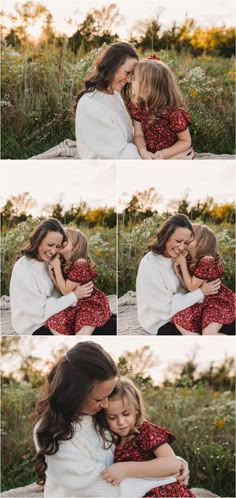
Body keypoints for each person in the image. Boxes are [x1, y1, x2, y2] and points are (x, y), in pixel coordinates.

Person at [32, 341, 190, 498]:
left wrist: (175, 463)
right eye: (99, 399)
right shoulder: (54, 432)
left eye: (108, 396)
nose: (106, 404)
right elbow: (101, 488)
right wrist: (167, 477)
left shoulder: (97, 414)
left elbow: (139, 452)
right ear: (75, 395)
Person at [98, 377, 195, 497]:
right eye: (112, 417)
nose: (121, 422)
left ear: (137, 410)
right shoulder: (111, 439)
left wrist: (125, 469)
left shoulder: (145, 431)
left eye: (126, 414)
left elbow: (172, 464)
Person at [136, 214, 223, 335]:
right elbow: (166, 308)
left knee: (226, 322)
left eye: (186, 242)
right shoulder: (150, 265)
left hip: (189, 308)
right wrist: (201, 292)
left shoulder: (181, 256)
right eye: (178, 241)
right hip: (163, 320)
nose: (182, 247)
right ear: (165, 236)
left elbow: (189, 285)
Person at [9, 219, 93, 336]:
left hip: (61, 313)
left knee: (106, 320)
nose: (53, 251)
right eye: (50, 245)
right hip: (36, 326)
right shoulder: (23, 270)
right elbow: (40, 313)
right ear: (38, 240)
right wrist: (75, 295)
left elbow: (62, 289)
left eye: (58, 246)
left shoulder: (51, 260)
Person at [75, 42, 141, 159]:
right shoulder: (90, 105)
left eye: (132, 74)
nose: (130, 80)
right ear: (112, 66)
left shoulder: (115, 95)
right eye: (127, 72)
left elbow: (127, 136)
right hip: (104, 169)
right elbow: (119, 153)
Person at [171, 224, 235, 335]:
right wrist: (179, 274)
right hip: (203, 300)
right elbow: (189, 287)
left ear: (201, 241)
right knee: (179, 318)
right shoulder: (194, 259)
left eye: (191, 236)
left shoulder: (207, 260)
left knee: (209, 333)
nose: (186, 240)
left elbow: (192, 287)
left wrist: (182, 265)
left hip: (216, 302)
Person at [46, 228, 112, 335]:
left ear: (75, 246)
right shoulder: (65, 264)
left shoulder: (80, 263)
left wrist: (57, 268)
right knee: (52, 321)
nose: (61, 242)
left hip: (90, 303)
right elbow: (61, 290)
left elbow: (66, 292)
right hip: (75, 302)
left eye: (65, 240)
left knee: (85, 325)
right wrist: (53, 276)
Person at [129, 58, 194, 160]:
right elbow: (138, 134)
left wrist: (165, 154)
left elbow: (185, 141)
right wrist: (143, 151)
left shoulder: (172, 112)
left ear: (147, 86)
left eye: (134, 78)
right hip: (150, 155)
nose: (129, 80)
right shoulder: (137, 106)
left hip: (172, 154)